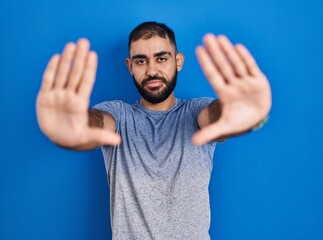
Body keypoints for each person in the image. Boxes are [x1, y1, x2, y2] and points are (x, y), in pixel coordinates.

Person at [36, 21, 271, 240]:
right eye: (141, 61)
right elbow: (93, 125)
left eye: (161, 58)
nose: (151, 70)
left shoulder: (196, 110)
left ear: (178, 61)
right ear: (130, 66)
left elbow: (216, 118)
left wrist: (240, 114)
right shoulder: (117, 114)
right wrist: (69, 129)